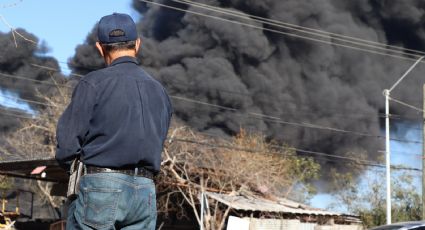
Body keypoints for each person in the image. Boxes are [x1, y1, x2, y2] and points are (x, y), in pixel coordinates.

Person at [55, 13, 172, 230]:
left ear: (100, 48)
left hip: (101, 186)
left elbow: (67, 146)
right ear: (137, 44)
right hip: (145, 191)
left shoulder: (93, 84)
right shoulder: (160, 91)